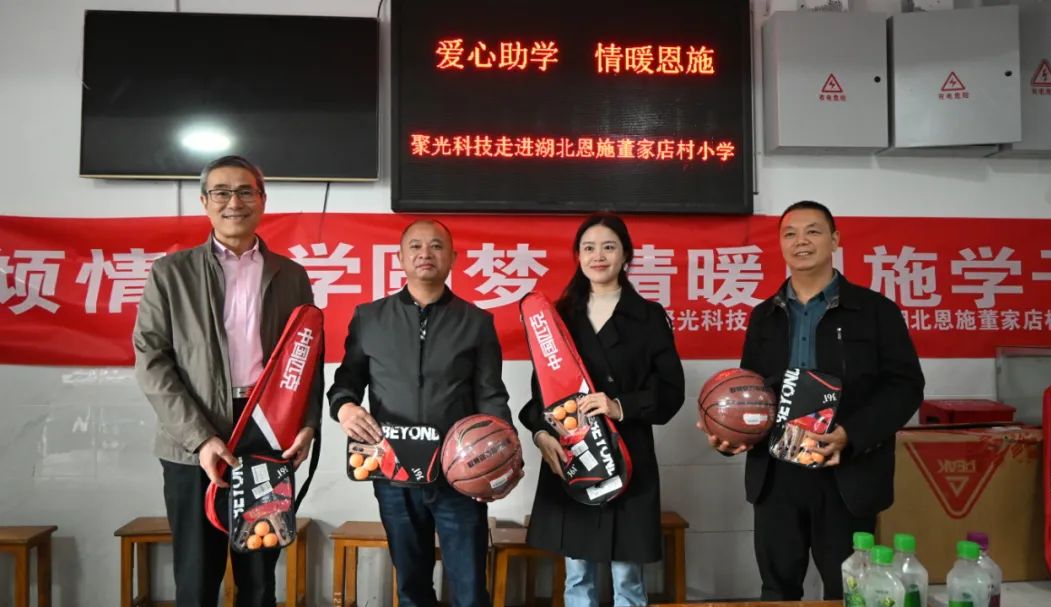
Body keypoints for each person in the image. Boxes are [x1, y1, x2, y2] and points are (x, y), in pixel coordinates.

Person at [701, 200, 925, 601]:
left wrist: (850, 434)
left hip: (846, 474)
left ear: (835, 240)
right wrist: (731, 435)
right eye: (790, 234)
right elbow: (751, 393)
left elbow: (905, 387)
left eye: (813, 231)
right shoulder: (764, 315)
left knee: (848, 590)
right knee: (777, 589)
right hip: (777, 474)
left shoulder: (875, 311)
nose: (800, 241)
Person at [134, 155, 321, 607]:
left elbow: (307, 356)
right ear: (204, 202)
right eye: (221, 192)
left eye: (244, 192)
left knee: (259, 573)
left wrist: (306, 424)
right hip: (192, 438)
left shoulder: (291, 275)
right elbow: (152, 360)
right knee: (197, 577)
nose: (233, 202)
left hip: (266, 433)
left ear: (262, 199)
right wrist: (200, 439)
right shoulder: (170, 274)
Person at [327, 219, 511, 607]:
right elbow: (346, 382)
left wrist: (504, 456)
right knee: (411, 586)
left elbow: (491, 396)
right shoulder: (369, 318)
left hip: (460, 474)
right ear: (400, 257)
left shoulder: (476, 322)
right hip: (393, 471)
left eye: (436, 246)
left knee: (470, 588)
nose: (425, 253)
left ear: (453, 258)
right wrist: (344, 407)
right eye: (415, 246)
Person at [518, 213, 685, 607]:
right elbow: (540, 392)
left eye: (609, 247)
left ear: (625, 255)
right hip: (576, 455)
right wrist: (541, 434)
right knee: (578, 577)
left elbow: (671, 390)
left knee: (628, 578)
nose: (598, 256)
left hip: (629, 457)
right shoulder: (559, 317)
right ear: (577, 256)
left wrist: (619, 406)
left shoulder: (648, 316)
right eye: (589, 248)